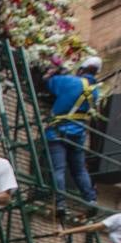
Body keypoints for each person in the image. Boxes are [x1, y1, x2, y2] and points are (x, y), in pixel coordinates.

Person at [43, 56, 102, 219]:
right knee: (79, 170)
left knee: (58, 169)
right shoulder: (95, 91)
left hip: (58, 131)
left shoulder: (69, 81)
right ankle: (91, 200)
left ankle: (60, 203)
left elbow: (48, 82)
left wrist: (54, 73)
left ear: (81, 69)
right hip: (78, 135)